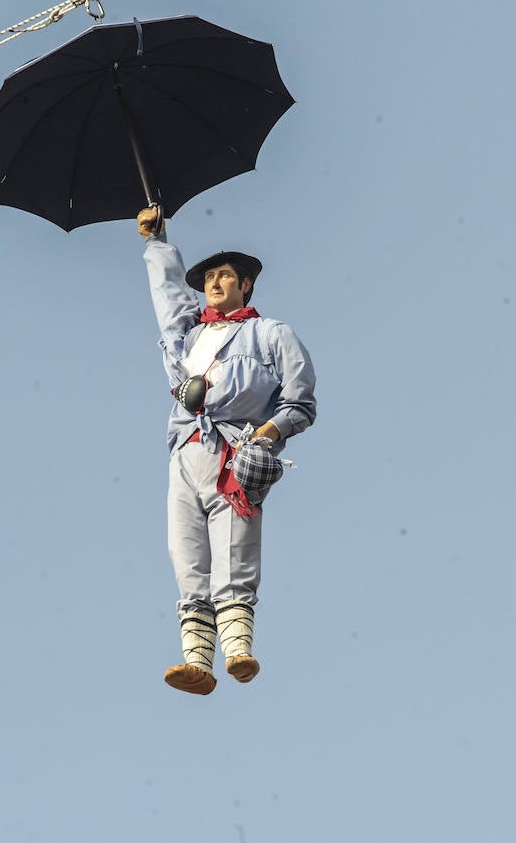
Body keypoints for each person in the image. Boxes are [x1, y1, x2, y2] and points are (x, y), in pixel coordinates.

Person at [138, 205, 317, 695]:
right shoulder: (189, 336)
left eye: (225, 276)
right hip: (186, 452)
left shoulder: (270, 334)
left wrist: (268, 435)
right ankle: (196, 661)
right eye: (210, 277)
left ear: (246, 285)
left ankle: (238, 648)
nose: (215, 284)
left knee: (234, 552)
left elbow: (300, 402)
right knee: (186, 554)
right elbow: (168, 299)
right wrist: (157, 244)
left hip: (234, 455)